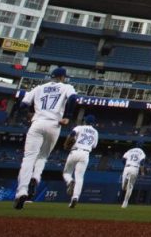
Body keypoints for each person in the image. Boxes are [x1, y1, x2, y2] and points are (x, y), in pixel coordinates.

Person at [13, 66, 77, 210]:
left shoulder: (38, 88)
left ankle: (22, 192)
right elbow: (73, 98)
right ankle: (36, 178)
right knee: (42, 157)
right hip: (54, 125)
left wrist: (29, 113)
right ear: (62, 77)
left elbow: (23, 104)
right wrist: (68, 117)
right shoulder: (66, 86)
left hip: (37, 123)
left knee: (29, 158)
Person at [61, 114, 99, 208]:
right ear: (93, 123)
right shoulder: (95, 132)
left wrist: (66, 143)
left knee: (66, 173)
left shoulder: (79, 127)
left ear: (85, 121)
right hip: (85, 154)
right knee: (80, 177)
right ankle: (75, 198)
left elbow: (72, 134)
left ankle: (70, 181)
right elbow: (94, 146)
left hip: (75, 151)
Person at [119, 141, 147, 208]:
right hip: (135, 168)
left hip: (127, 167)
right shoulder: (142, 152)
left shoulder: (130, 150)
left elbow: (123, 159)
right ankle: (125, 202)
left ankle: (126, 181)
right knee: (130, 187)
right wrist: (142, 172)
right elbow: (142, 163)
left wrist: (126, 164)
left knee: (123, 187)